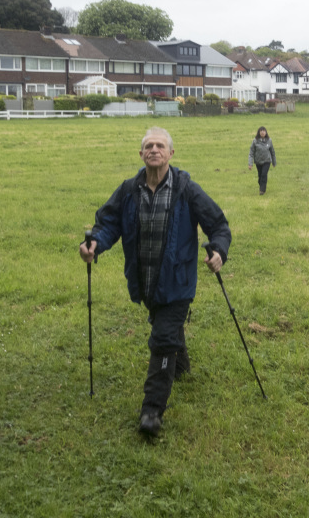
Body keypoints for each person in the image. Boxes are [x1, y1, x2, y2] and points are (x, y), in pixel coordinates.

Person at [79, 127, 231, 437]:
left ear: (171, 153)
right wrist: (95, 243)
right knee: (166, 326)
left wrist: (219, 251)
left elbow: (217, 225)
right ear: (141, 154)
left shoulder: (186, 189)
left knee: (162, 339)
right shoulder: (129, 190)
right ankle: (181, 363)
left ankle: (152, 410)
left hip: (178, 281)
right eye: (148, 145)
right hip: (145, 282)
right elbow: (108, 223)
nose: (154, 150)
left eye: (160, 145)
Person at [248, 126, 276, 195]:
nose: (262, 132)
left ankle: (262, 190)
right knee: (260, 176)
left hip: (267, 161)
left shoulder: (269, 141)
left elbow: (272, 152)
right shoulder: (255, 141)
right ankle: (261, 184)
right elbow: (251, 153)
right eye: (261, 131)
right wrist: (250, 163)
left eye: (264, 131)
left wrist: (274, 162)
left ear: (266, 132)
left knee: (264, 174)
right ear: (259, 132)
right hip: (258, 161)